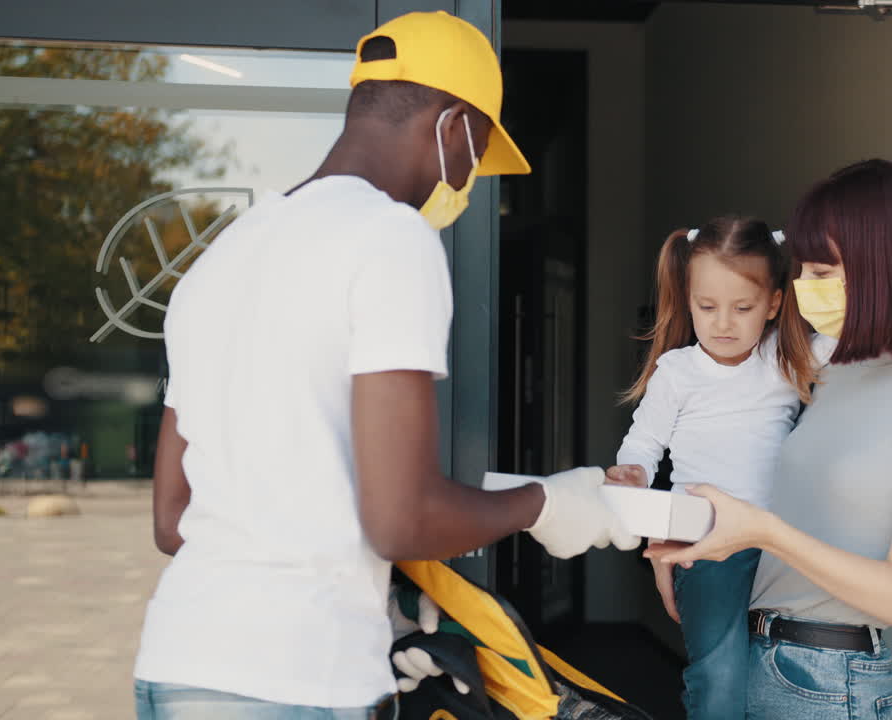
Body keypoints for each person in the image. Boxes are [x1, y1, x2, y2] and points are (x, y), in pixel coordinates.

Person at [134, 12, 636, 719]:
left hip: (179, 662)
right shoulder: (389, 238)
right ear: (455, 125)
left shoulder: (222, 256)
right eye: (477, 153)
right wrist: (550, 504)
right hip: (294, 680)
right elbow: (402, 518)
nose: (466, 180)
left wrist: (384, 596)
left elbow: (171, 517)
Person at [646, 160, 892, 720]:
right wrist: (691, 543)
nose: (803, 289)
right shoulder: (826, 366)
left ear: (888, 265)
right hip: (751, 657)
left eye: (820, 271)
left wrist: (761, 530)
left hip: (827, 682)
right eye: (802, 272)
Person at [606, 216, 833, 720]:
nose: (722, 323)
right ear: (688, 301)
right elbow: (644, 442)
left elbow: (857, 349)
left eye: (743, 308)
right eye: (706, 307)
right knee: (721, 677)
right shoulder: (677, 372)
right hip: (704, 544)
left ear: (774, 303)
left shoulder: (787, 357)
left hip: (778, 544)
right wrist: (633, 473)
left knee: (782, 673)